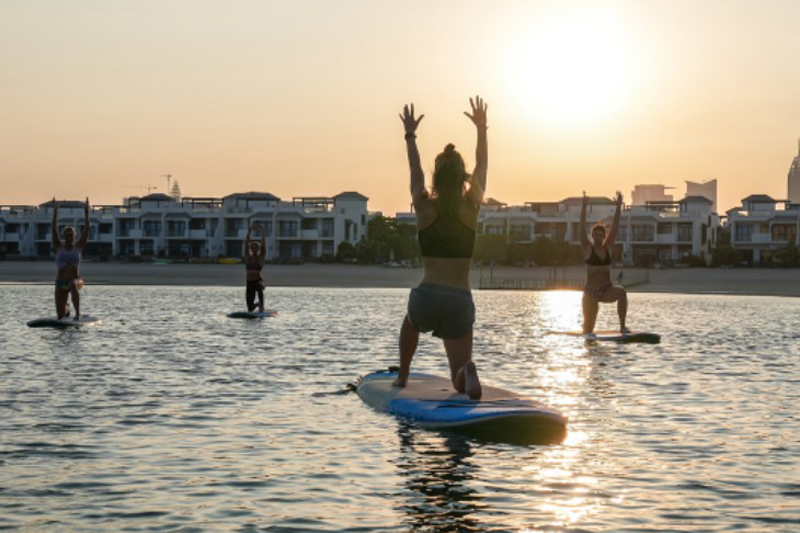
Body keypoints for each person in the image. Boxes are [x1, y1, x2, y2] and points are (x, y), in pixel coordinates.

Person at [392, 96, 488, 400]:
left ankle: (403, 375)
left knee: (411, 323)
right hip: (460, 299)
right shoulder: (471, 206)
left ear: (437, 175)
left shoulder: (423, 206)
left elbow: (414, 169)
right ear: (464, 177)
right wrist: (482, 128)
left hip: (428, 295)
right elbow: (483, 163)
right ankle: (466, 372)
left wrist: (410, 134)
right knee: (457, 373)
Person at [579, 191, 628, 336]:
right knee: (588, 330)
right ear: (592, 236)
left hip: (607, 290)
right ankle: (586, 328)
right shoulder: (587, 249)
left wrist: (618, 206)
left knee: (622, 293)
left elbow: (615, 225)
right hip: (590, 293)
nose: (598, 237)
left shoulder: (608, 248)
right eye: (596, 235)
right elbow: (581, 227)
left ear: (604, 236)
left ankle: (623, 327)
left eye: (601, 235)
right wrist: (584, 207)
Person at [52, 197, 91, 320]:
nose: (69, 237)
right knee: (60, 316)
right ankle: (66, 309)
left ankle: (78, 313)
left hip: (76, 280)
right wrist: (55, 211)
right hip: (61, 282)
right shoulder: (59, 246)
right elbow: (53, 228)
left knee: (73, 284)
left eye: (71, 235)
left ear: (74, 236)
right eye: (67, 235)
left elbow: (87, 229)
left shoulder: (78, 247)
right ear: (64, 236)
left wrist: (86, 212)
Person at [244, 223, 267, 312]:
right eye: (252, 247)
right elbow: (246, 244)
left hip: (259, 281)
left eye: (256, 247)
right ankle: (256, 304)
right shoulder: (247, 257)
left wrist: (263, 232)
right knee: (250, 308)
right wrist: (249, 232)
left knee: (258, 286)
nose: (254, 249)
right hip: (249, 283)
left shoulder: (260, 258)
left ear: (258, 249)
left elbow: (263, 245)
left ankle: (261, 306)